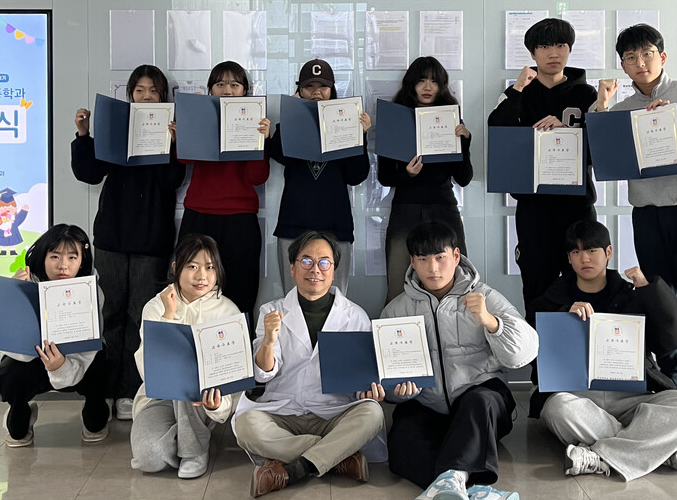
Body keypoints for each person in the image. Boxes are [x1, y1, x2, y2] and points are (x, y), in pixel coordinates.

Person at [593, 24, 677, 437]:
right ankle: (673, 391)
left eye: (647, 54)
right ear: (623, 65)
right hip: (648, 215)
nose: (640, 63)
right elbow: (605, 160)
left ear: (662, 56)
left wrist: (676, 124)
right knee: (661, 306)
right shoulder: (622, 109)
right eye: (630, 57)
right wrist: (601, 109)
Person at [381, 221, 536, 500]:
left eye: (440, 257)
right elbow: (387, 379)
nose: (432, 268)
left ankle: (450, 482)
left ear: (455, 256)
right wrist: (399, 392)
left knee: (480, 400)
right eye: (423, 259)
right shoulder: (396, 310)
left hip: (481, 406)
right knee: (400, 444)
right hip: (428, 404)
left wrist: (491, 321)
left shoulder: (485, 296)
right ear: (412, 261)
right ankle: (476, 492)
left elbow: (524, 353)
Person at [529, 219, 677, 481]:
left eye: (592, 250)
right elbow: (531, 354)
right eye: (576, 252)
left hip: (631, 395)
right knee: (557, 408)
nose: (584, 258)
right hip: (579, 397)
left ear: (608, 252)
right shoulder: (550, 299)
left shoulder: (633, 294)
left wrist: (649, 290)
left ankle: (599, 456)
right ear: (569, 258)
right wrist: (563, 316)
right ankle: (656, 447)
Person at [486, 17, 597, 410]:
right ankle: (543, 383)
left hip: (577, 209)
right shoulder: (522, 92)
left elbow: (602, 148)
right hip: (533, 210)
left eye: (561, 45)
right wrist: (517, 90)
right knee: (538, 293)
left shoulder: (586, 94)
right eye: (545, 47)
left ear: (570, 49)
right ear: (532, 53)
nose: (554, 53)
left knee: (584, 289)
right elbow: (498, 134)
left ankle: (578, 381)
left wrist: (568, 132)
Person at [232, 231, 386, 498]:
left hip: (333, 413)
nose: (315, 269)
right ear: (292, 268)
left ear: (334, 270)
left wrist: (368, 390)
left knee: (372, 413)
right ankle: (338, 456)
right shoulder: (271, 311)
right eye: (306, 261)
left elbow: (360, 380)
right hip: (283, 411)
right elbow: (263, 375)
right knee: (246, 425)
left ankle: (298, 467)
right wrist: (268, 340)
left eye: (324, 262)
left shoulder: (355, 316)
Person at [72, 63, 185, 420]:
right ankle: (103, 390)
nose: (147, 96)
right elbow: (89, 173)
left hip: (152, 238)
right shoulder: (117, 128)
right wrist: (84, 135)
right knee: (110, 315)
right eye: (140, 90)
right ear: (130, 95)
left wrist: (174, 144)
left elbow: (173, 181)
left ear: (163, 96)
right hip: (112, 236)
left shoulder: (171, 131)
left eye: (153, 91)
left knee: (141, 316)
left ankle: (129, 392)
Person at [130, 234, 242, 479]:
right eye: (192, 266)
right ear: (176, 268)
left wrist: (218, 404)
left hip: (203, 400)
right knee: (147, 458)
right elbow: (150, 369)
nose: (202, 276)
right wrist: (169, 317)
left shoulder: (228, 311)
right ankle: (187, 436)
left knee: (187, 378)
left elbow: (233, 375)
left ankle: (194, 451)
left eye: (210, 267)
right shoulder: (155, 307)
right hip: (160, 398)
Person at [0, 224, 110, 447]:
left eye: (72, 257)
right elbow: (9, 340)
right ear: (43, 257)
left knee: (101, 367)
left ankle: (95, 409)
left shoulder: (92, 291)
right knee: (16, 425)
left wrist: (61, 367)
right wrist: (13, 293)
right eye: (55, 256)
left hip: (76, 359)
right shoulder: (25, 284)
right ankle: (20, 410)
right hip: (32, 359)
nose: (63, 265)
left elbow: (89, 347)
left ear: (82, 260)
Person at [178, 60, 270, 330]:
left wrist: (262, 141)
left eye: (234, 84)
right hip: (199, 215)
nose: (227, 90)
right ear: (211, 90)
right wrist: (186, 127)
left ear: (245, 91)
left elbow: (257, 177)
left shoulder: (255, 120)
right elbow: (184, 159)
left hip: (240, 220)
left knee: (240, 294)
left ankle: (238, 355)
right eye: (220, 84)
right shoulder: (200, 115)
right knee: (192, 293)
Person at [266, 59, 370, 294]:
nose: (316, 92)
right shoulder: (292, 122)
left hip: (336, 226)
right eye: (309, 86)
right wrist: (290, 115)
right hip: (293, 225)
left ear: (332, 90)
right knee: (293, 298)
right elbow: (278, 154)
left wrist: (361, 136)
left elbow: (356, 175)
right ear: (299, 90)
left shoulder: (345, 122)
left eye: (323, 86)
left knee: (336, 301)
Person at [378, 56, 473, 303]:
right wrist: (407, 174)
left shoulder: (450, 118)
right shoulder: (396, 119)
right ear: (411, 84)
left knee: (457, 282)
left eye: (434, 81)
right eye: (421, 80)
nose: (428, 87)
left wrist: (465, 142)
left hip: (444, 208)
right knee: (398, 284)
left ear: (442, 85)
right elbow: (384, 176)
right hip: (406, 208)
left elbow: (464, 179)